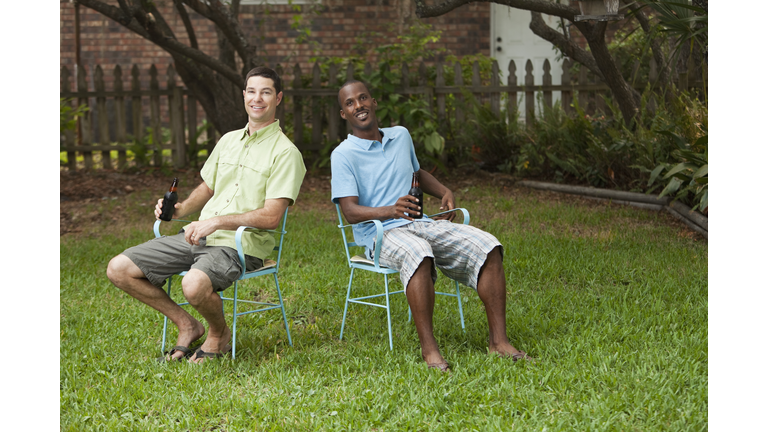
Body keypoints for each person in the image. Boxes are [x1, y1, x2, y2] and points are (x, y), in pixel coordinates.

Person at [106, 66, 306, 363]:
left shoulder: (285, 153)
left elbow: (271, 217)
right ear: (244, 96)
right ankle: (187, 324)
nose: (257, 98)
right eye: (251, 91)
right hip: (198, 237)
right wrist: (179, 210)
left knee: (194, 284)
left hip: (240, 244)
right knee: (119, 268)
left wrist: (216, 222)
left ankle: (218, 334)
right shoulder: (227, 140)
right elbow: (208, 186)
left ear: (278, 98)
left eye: (265, 92)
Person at [330, 80, 531, 371]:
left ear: (374, 103)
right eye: (350, 103)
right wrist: (391, 210)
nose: (358, 105)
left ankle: (498, 342)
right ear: (343, 114)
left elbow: (416, 172)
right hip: (381, 233)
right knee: (418, 251)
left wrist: (443, 191)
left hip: (420, 223)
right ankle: (430, 351)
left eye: (363, 99)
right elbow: (349, 211)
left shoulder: (401, 136)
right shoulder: (344, 154)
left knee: (488, 245)